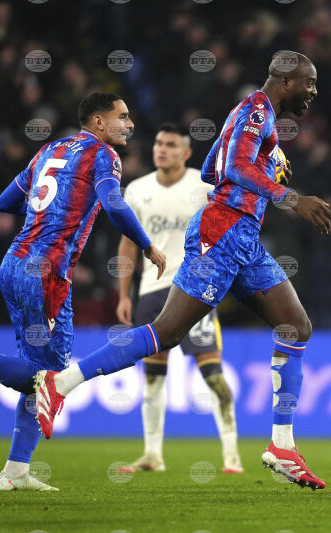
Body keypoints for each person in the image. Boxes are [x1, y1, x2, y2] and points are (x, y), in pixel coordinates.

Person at [33, 51, 331, 490]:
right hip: (222, 232)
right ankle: (60, 382)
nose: (314, 91)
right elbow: (232, 167)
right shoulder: (256, 111)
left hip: (243, 238)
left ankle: (282, 447)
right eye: (309, 83)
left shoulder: (255, 115)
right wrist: (290, 198)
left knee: (296, 326)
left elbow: (211, 169)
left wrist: (268, 164)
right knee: (167, 332)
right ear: (286, 81)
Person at [0, 93, 165, 492]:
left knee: (38, 373)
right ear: (99, 122)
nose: (129, 124)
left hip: (13, 264)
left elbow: (5, 201)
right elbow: (114, 206)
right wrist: (148, 246)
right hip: (46, 274)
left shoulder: (51, 149)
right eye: (122, 116)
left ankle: (14, 472)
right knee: (52, 378)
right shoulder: (103, 154)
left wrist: (44, 212)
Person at [115, 123, 243, 474]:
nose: (162, 149)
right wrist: (124, 294)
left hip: (193, 291)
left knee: (213, 375)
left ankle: (232, 455)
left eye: (171, 145)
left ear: (186, 153)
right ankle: (152, 454)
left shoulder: (203, 188)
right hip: (150, 293)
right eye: (159, 142)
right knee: (153, 376)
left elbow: (226, 233)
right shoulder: (137, 190)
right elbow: (128, 244)